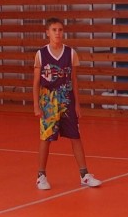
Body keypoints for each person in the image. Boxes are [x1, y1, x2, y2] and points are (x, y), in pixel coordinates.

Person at [33, 17, 102, 191]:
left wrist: (77, 104)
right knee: (46, 137)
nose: (58, 33)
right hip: (48, 101)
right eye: (54, 30)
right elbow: (36, 82)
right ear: (47, 32)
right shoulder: (41, 54)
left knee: (75, 136)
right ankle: (41, 176)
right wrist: (36, 105)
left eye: (60, 30)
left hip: (67, 99)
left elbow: (74, 80)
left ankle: (84, 175)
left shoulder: (70, 53)